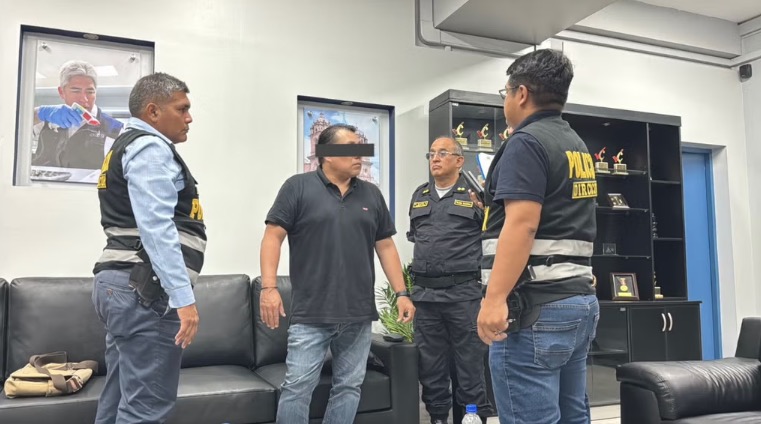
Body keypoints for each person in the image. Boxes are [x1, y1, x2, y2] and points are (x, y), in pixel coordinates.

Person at [260, 123, 416, 424]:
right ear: (327, 153)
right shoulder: (297, 187)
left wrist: (402, 293)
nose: (360, 155)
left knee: (349, 387)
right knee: (297, 388)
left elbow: (385, 246)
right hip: (312, 313)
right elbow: (272, 237)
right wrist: (269, 288)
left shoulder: (371, 194)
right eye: (351, 148)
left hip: (358, 313)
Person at [476, 48, 599, 424]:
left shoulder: (526, 141)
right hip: (576, 300)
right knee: (572, 414)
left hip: (534, 307)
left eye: (506, 93)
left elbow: (523, 225)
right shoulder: (575, 143)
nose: (505, 101)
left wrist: (494, 300)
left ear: (522, 94)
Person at [92, 72, 204, 423]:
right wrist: (183, 299)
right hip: (143, 289)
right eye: (182, 109)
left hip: (122, 285)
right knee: (146, 410)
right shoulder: (150, 148)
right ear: (153, 111)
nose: (189, 118)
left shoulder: (124, 144)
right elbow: (156, 227)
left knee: (118, 397)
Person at [407, 136, 494, 424]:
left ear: (459, 160)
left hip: (464, 297)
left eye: (443, 153)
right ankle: (437, 418)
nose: (435, 158)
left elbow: (492, 241)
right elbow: (416, 238)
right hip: (426, 298)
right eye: (431, 153)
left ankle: (472, 418)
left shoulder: (477, 195)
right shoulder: (419, 194)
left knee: (470, 366)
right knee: (431, 368)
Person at [32, 59, 123, 171]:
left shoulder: (115, 130)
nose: (84, 99)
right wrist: (40, 112)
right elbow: (15, 126)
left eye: (90, 92)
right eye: (76, 91)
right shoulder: (47, 119)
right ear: (61, 92)